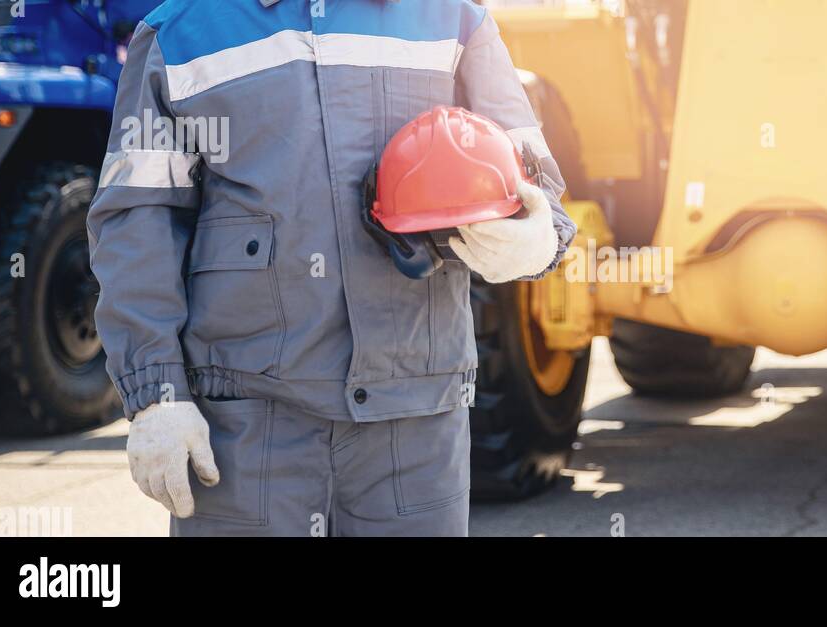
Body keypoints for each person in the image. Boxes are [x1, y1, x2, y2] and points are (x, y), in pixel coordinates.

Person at [87, 0, 576, 537]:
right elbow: (138, 220)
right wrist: (156, 395)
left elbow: (528, 174)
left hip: (412, 425)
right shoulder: (180, 34)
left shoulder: (452, 21)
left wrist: (534, 235)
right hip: (245, 427)